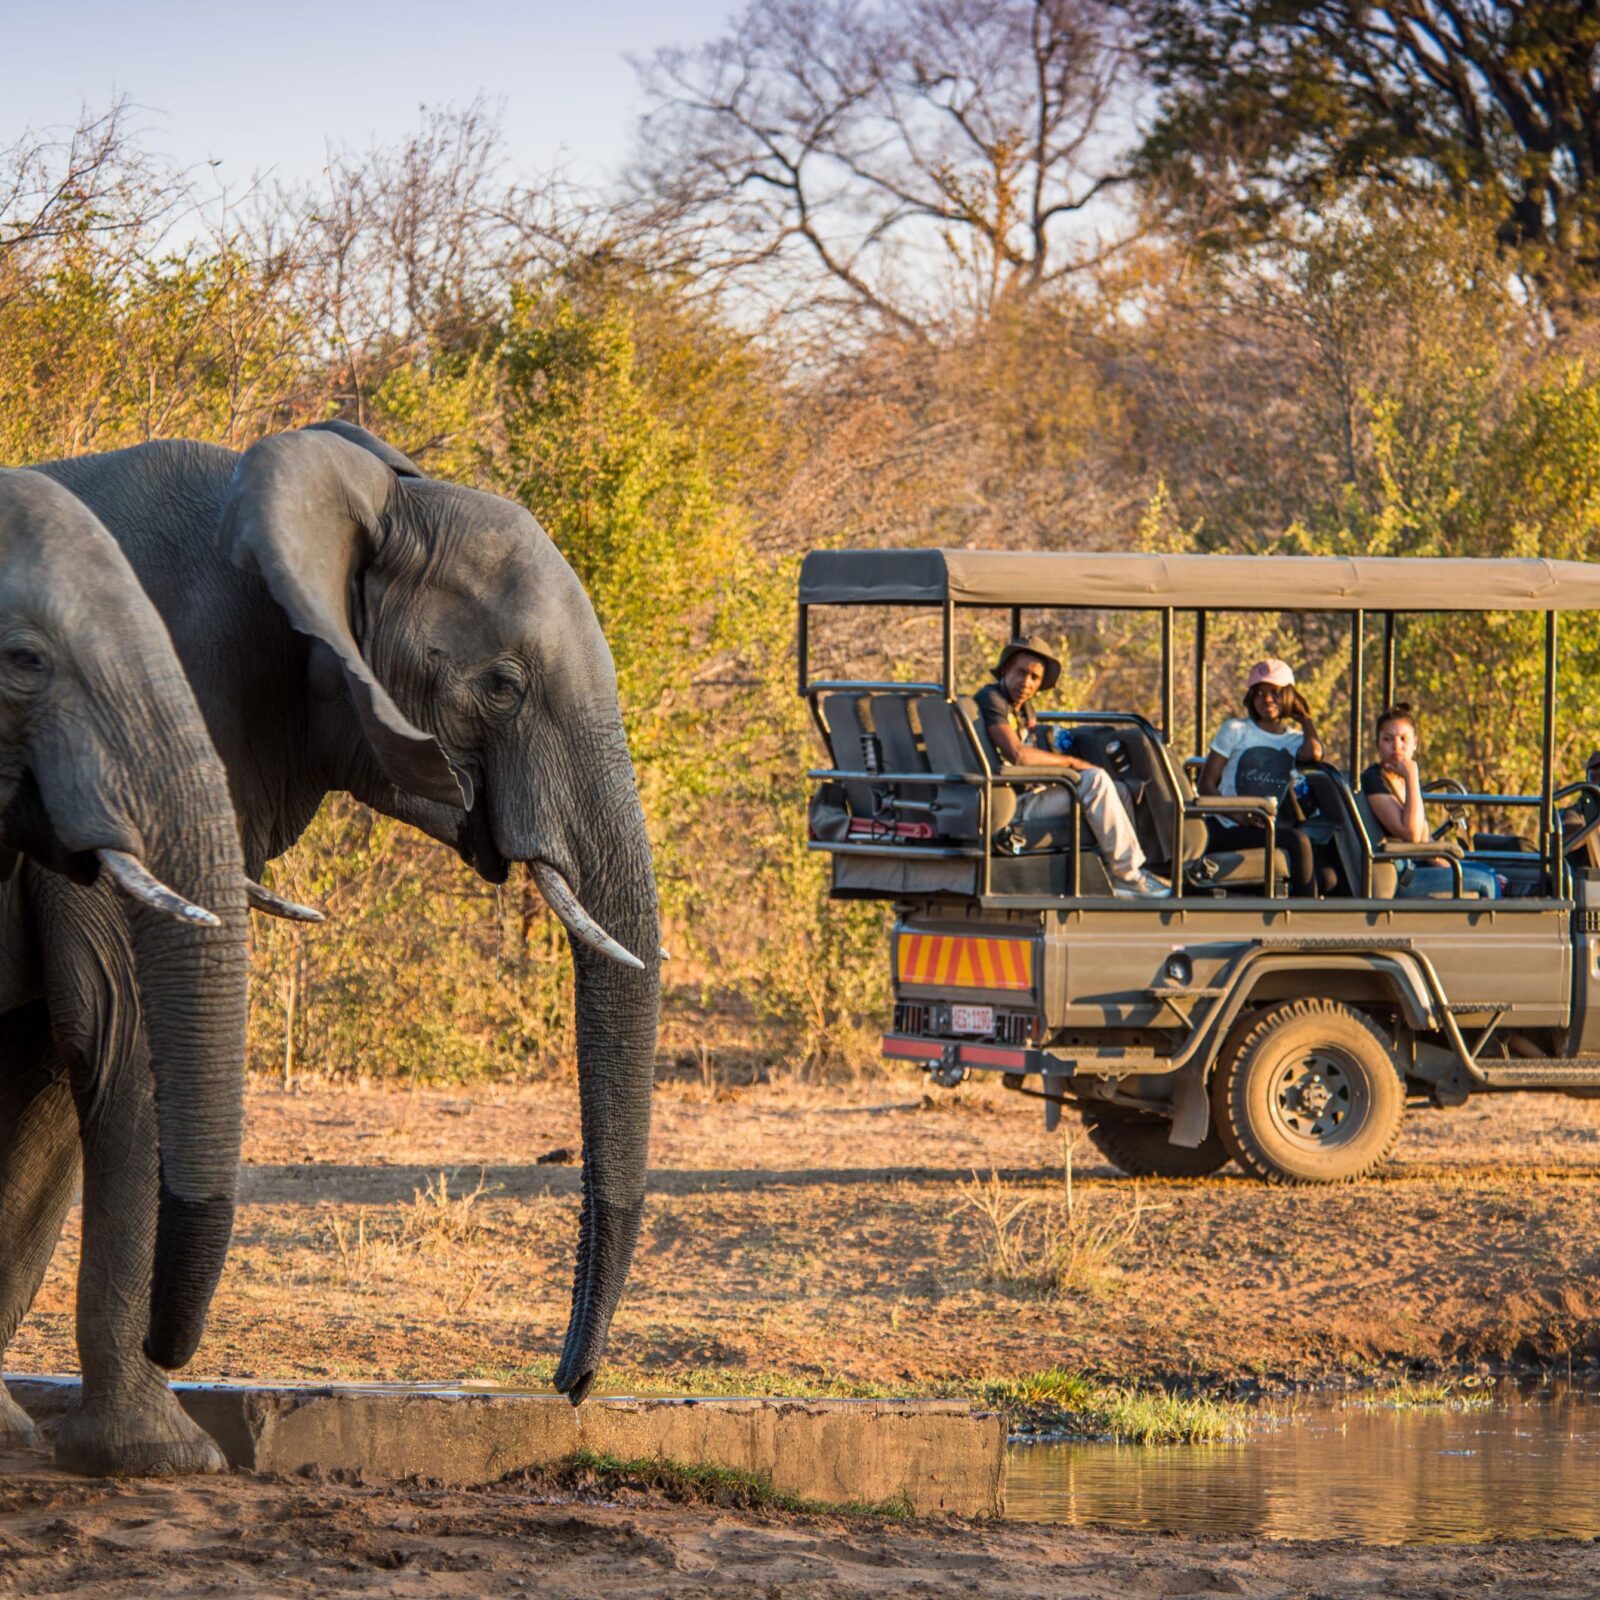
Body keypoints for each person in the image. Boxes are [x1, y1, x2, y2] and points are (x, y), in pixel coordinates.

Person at [974, 636, 1167, 899]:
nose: (1026, 683)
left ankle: (1116, 874)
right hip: (1009, 804)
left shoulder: (1023, 710)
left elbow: (1033, 749)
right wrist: (1071, 763)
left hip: (1030, 793)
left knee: (1119, 790)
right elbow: (1018, 755)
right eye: (1021, 672)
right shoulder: (991, 698)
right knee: (1095, 780)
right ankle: (1128, 874)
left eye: (1034, 677)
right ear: (1006, 667)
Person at [1198, 658, 1325, 896]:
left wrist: (1305, 716)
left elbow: (1315, 753)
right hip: (1228, 826)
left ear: (1290, 697)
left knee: (1326, 870)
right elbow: (1206, 784)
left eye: (1275, 693)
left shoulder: (1295, 740)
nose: (1267, 700)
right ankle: (1307, 915)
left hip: (1267, 825)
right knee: (1298, 842)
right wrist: (1240, 816)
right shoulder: (1236, 730)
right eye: (1259, 693)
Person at [1361, 704, 1499, 899]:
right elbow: (1412, 835)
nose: (1396, 746)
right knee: (1486, 881)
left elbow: (1424, 841)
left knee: (1489, 872)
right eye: (1387, 739)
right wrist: (1412, 775)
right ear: (1378, 745)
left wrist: (1452, 866)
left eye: (1403, 739)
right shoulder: (1374, 779)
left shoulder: (1399, 779)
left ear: (1415, 743)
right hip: (1403, 874)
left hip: (1417, 863)